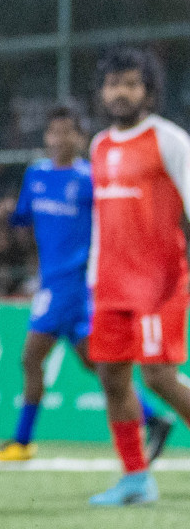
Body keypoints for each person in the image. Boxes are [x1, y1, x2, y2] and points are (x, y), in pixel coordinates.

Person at [0, 106, 172, 462]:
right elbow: (24, 219)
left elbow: (114, 221)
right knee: (99, 367)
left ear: (79, 137)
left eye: (67, 132)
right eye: (53, 132)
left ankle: (22, 442)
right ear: (46, 137)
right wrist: (7, 215)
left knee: (30, 358)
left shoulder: (90, 178)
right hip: (52, 282)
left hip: (72, 286)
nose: (59, 139)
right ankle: (154, 418)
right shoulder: (36, 176)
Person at [86, 48, 190, 505]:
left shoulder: (168, 140)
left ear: (148, 91)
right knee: (111, 376)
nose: (120, 92)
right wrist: (93, 276)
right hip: (109, 283)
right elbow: (100, 220)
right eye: (112, 84)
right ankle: (135, 478)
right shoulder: (99, 145)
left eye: (130, 83)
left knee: (159, 377)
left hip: (160, 284)